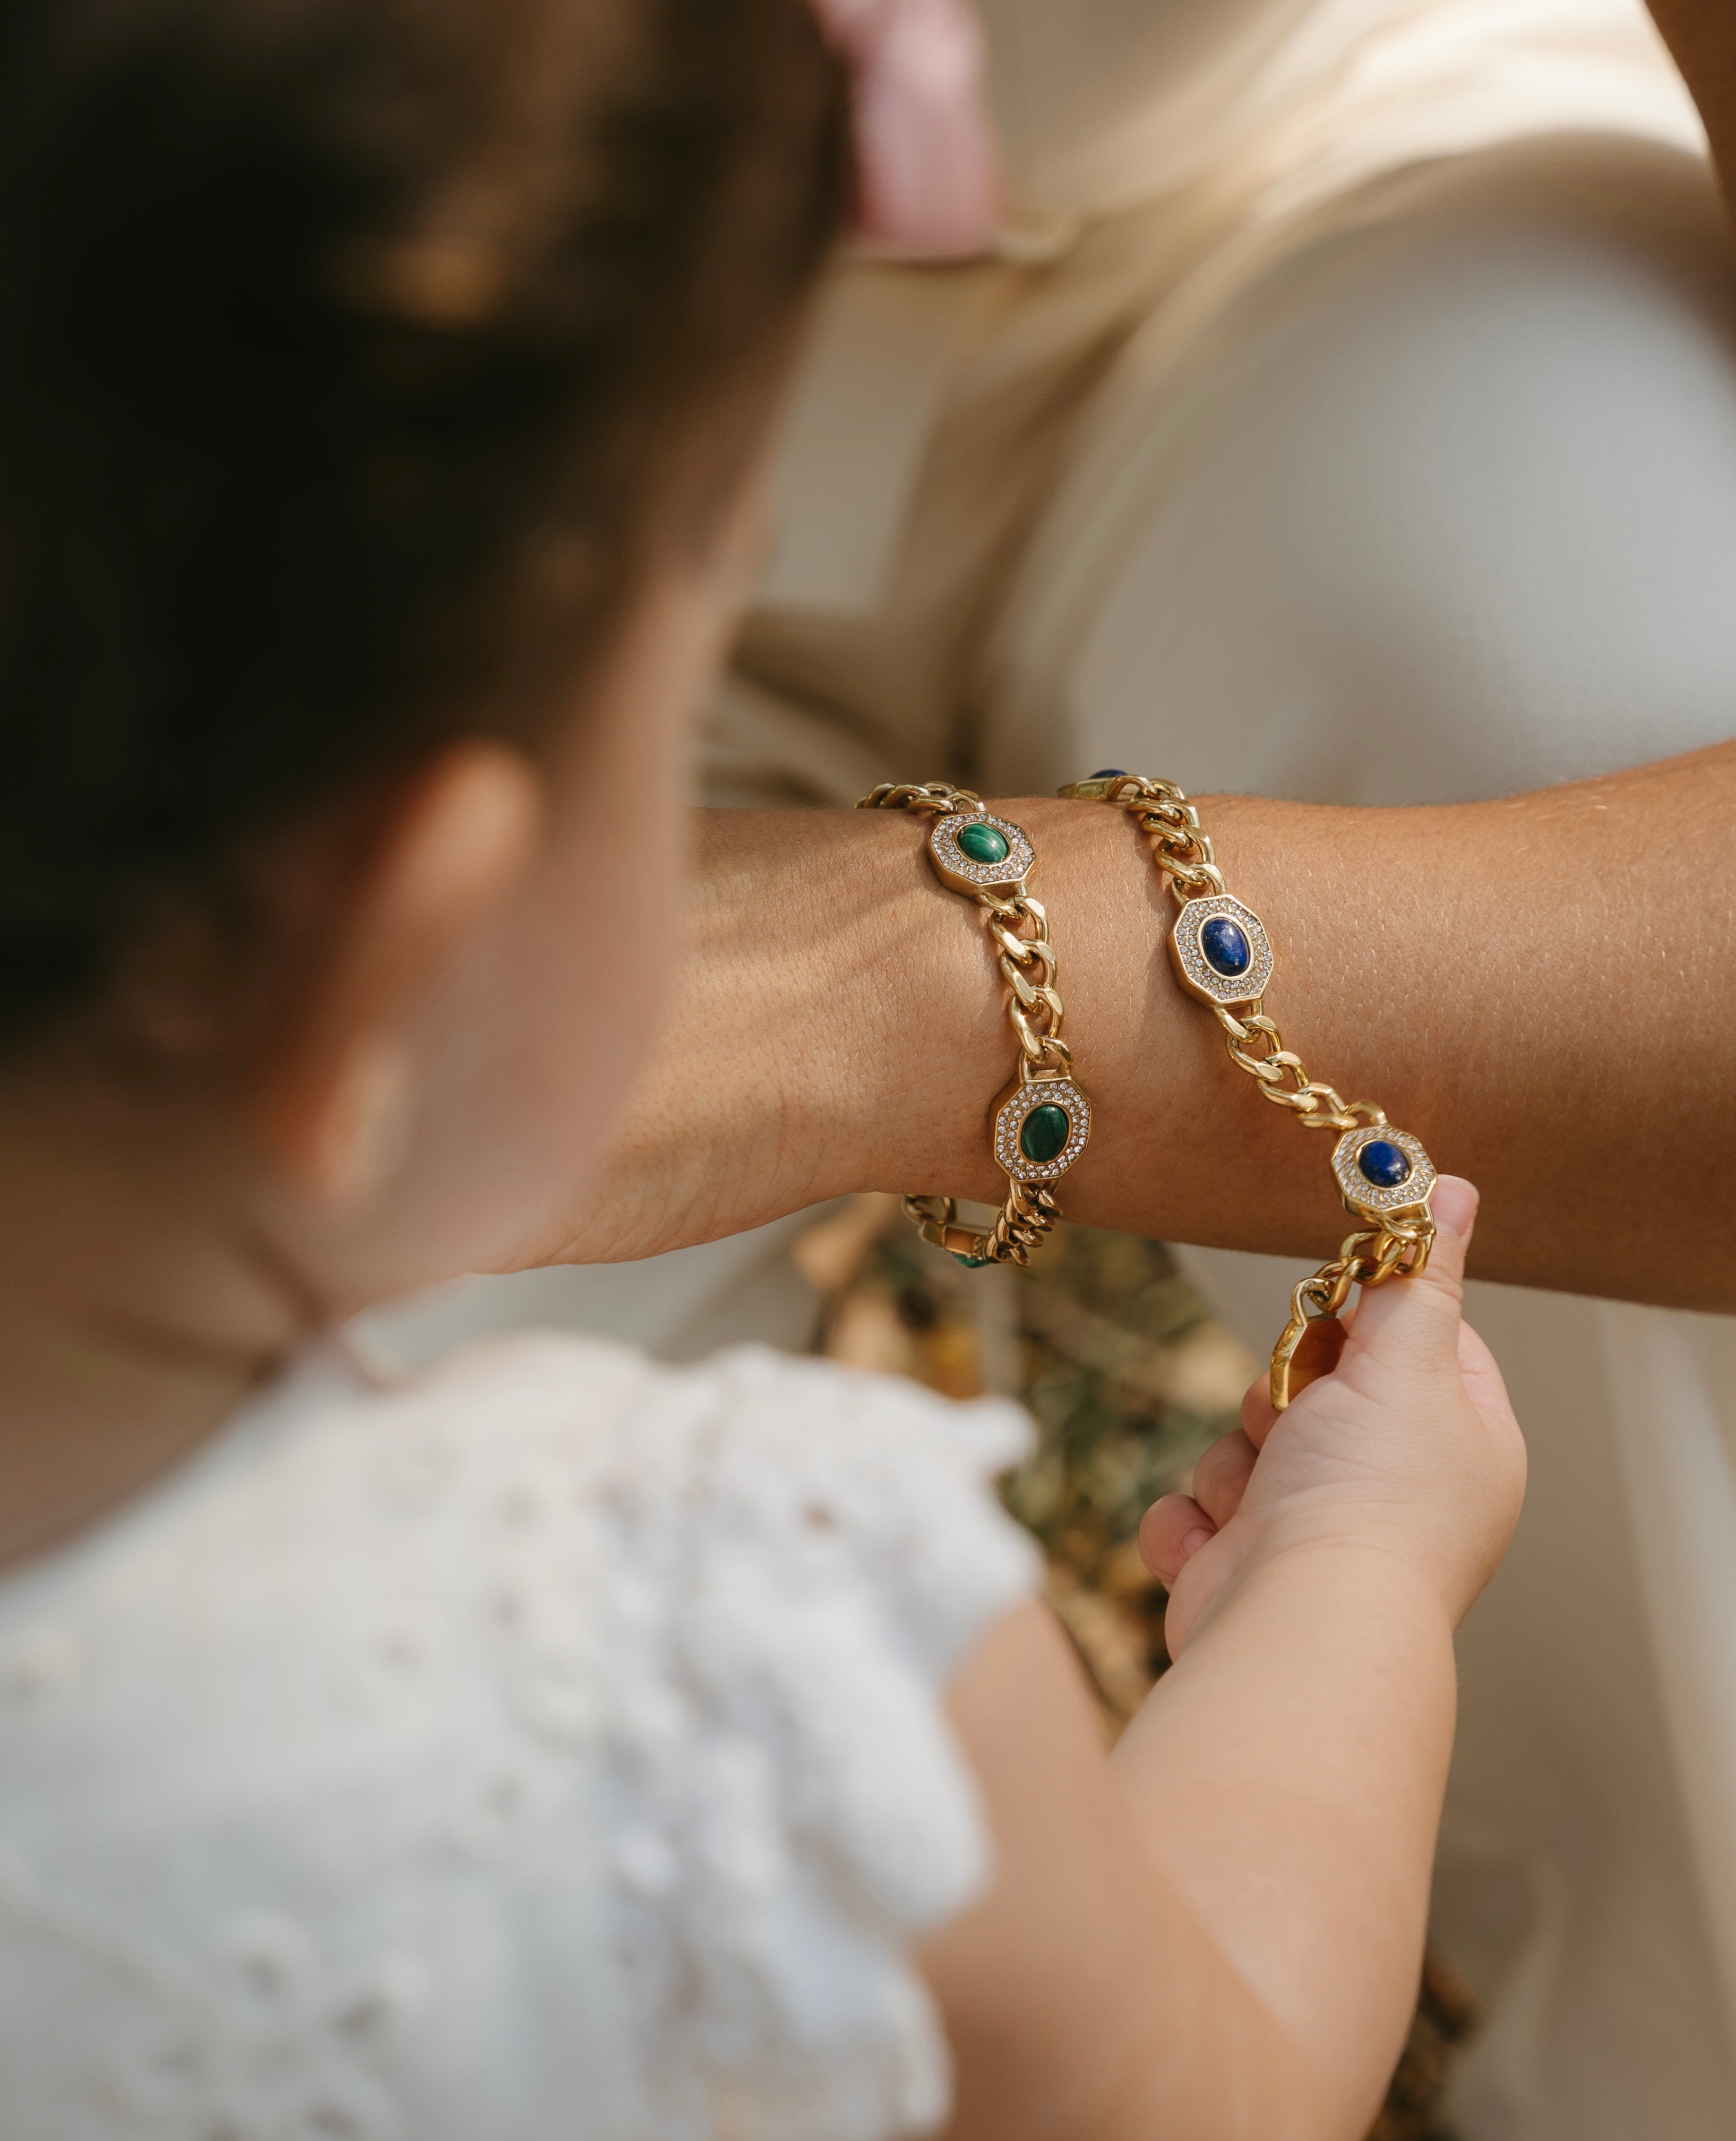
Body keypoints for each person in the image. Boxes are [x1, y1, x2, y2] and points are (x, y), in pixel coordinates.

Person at [444, 3, 1736, 2138]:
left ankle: (1706, 2063)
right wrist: (1344, 1585)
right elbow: (1195, 2088)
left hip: (1297, 237)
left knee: (1624, 648)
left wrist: (897, 982)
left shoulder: (841, 1644)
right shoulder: (844, 1643)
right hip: (286, 487)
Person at [0, 3, 1531, 2137]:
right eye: (679, 688)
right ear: (408, 921)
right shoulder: (716, 1660)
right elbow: (1221, 2077)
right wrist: (1354, 1583)